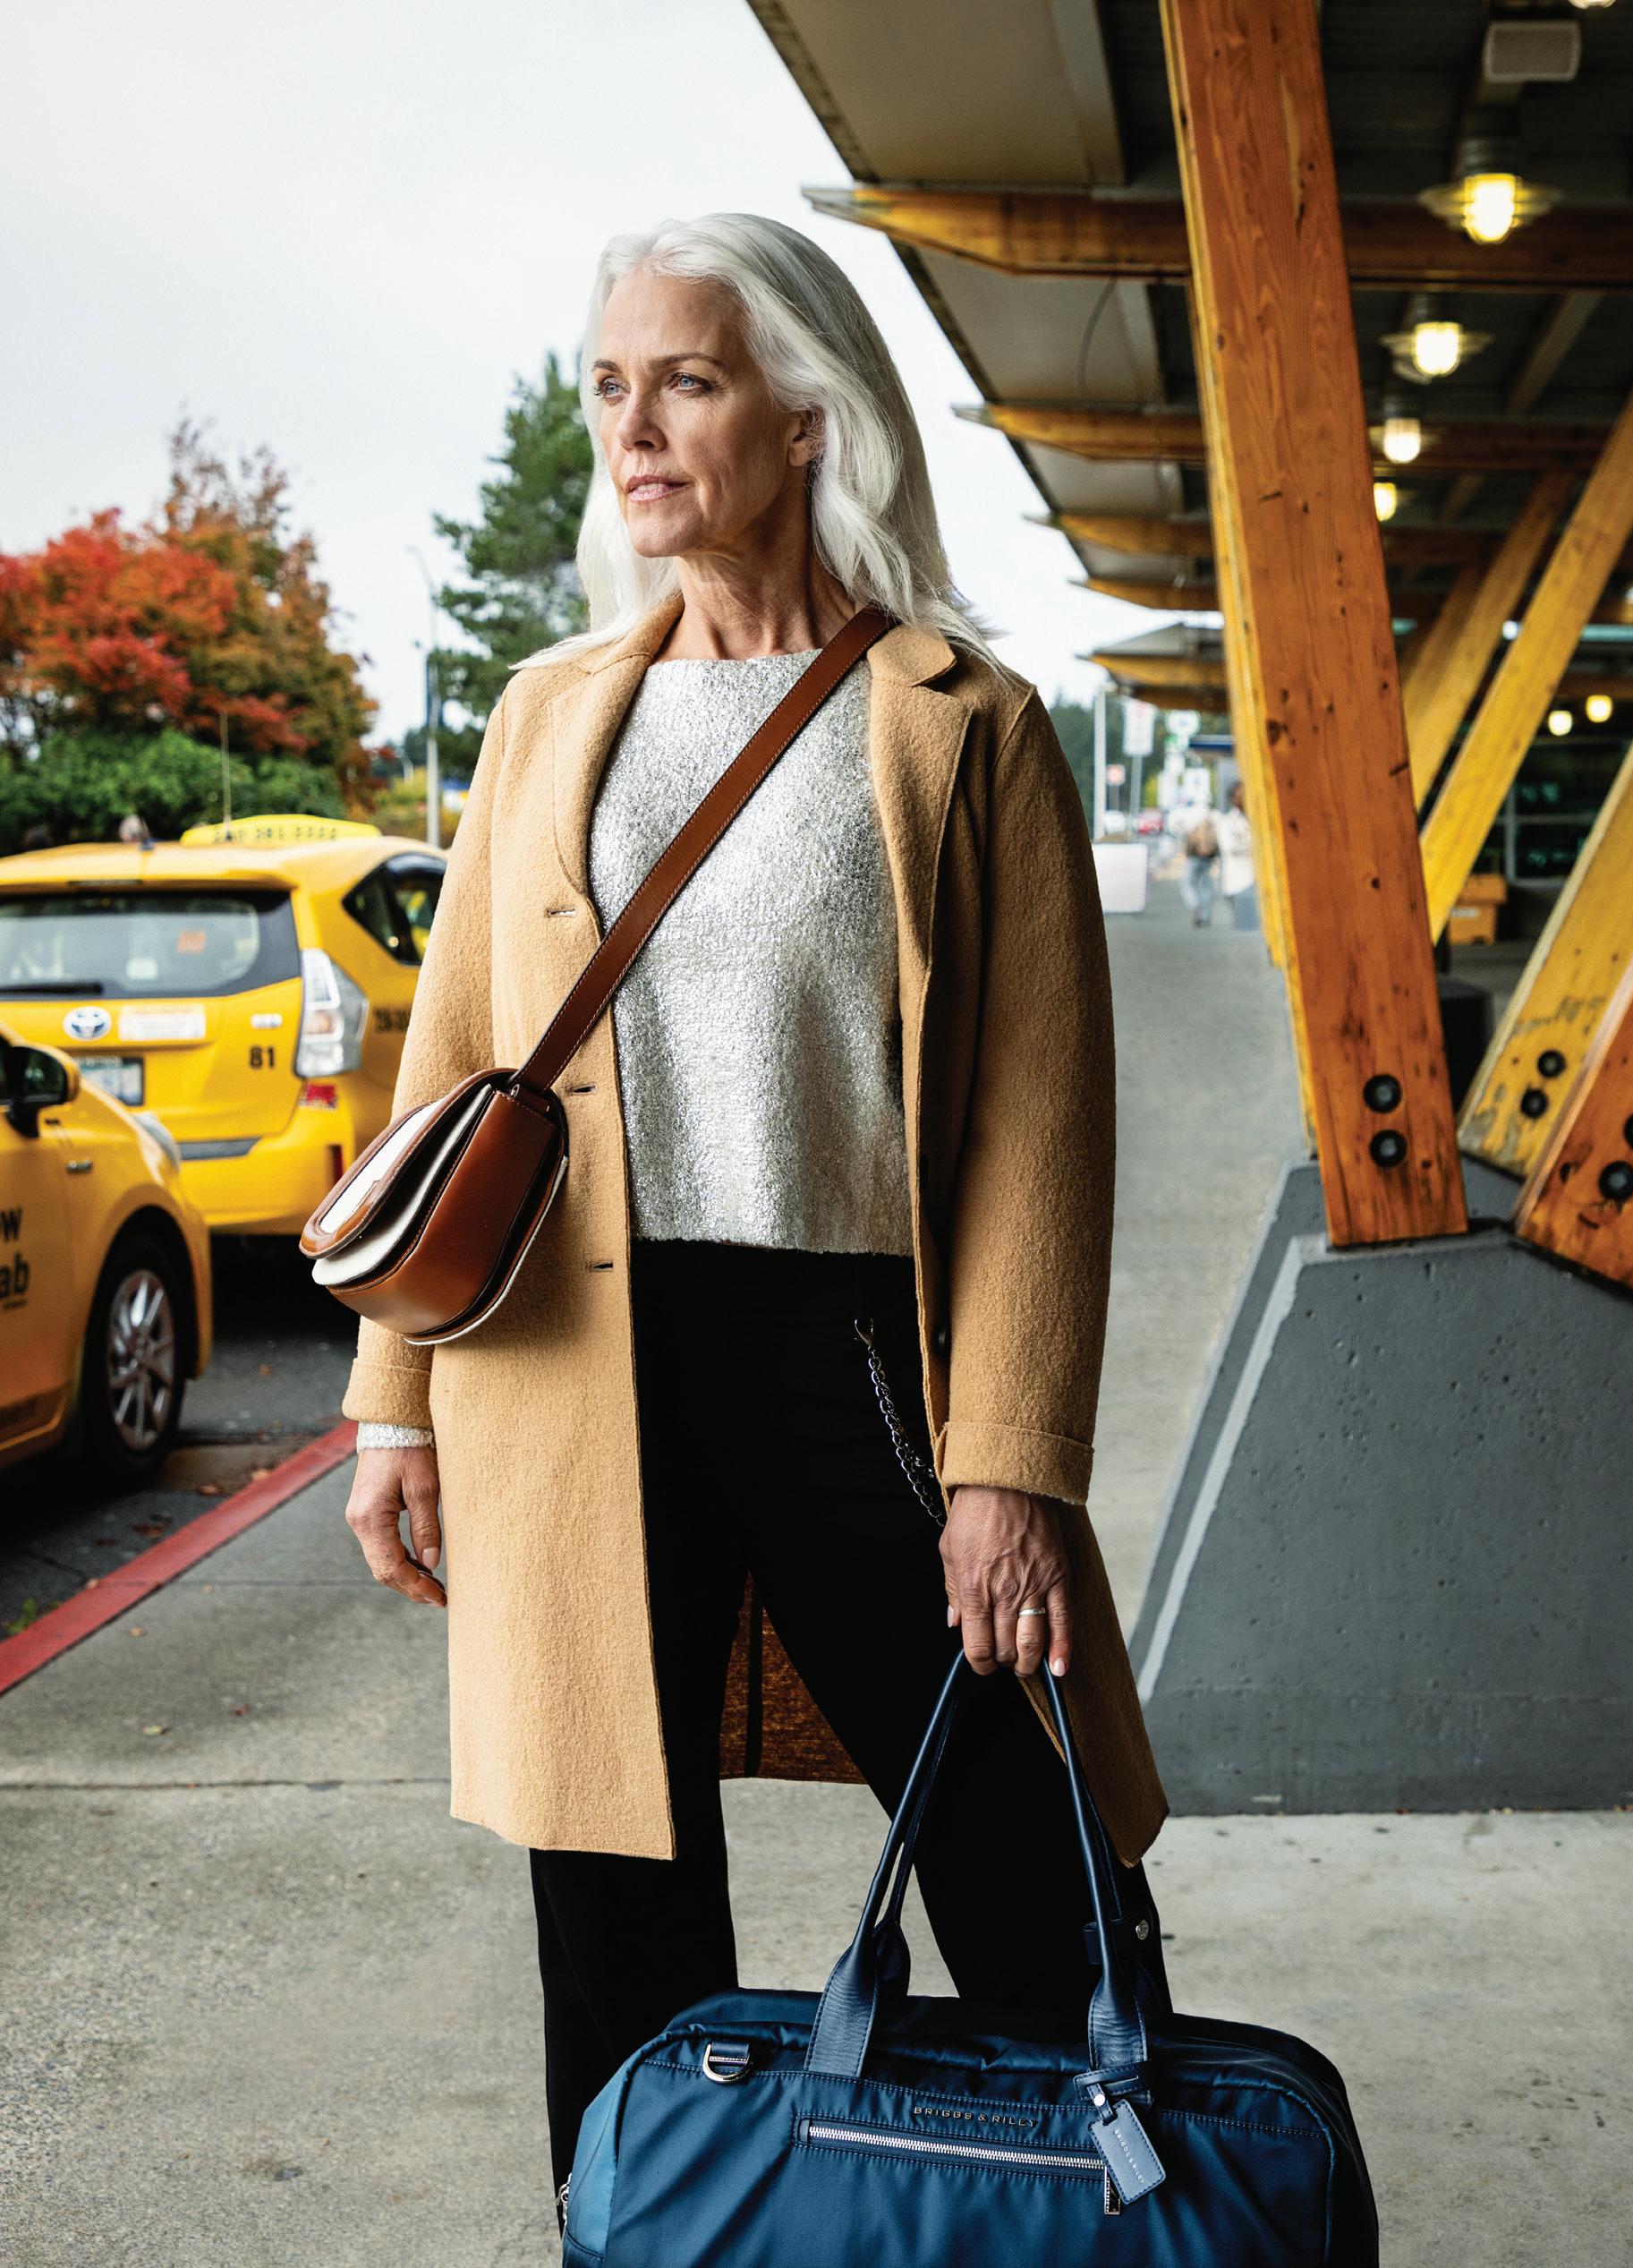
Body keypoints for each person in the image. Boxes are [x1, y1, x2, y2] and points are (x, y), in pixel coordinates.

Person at [336, 212, 1169, 2235]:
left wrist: (1009, 1465)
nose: (632, 428)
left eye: (686, 381)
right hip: (572, 1359)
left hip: (855, 1351)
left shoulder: (957, 717)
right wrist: (394, 1401)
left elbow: (1038, 1132)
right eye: (609, 386)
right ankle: (636, 2224)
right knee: (607, 1890)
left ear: (805, 419)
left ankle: (1127, 2199)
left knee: (1025, 1852)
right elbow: (455, 1059)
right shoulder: (550, 714)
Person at [1217, 780, 1259, 931]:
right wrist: (1253, 845)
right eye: (1239, 796)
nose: (1242, 799)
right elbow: (1229, 848)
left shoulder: (1258, 819)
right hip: (1238, 882)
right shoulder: (1227, 822)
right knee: (1245, 928)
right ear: (1232, 799)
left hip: (1257, 881)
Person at [1178, 799, 1219, 925]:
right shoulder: (1212, 816)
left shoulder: (1193, 815)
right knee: (1206, 886)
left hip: (1194, 856)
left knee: (1188, 883)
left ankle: (1195, 904)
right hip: (1208, 857)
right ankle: (1206, 916)